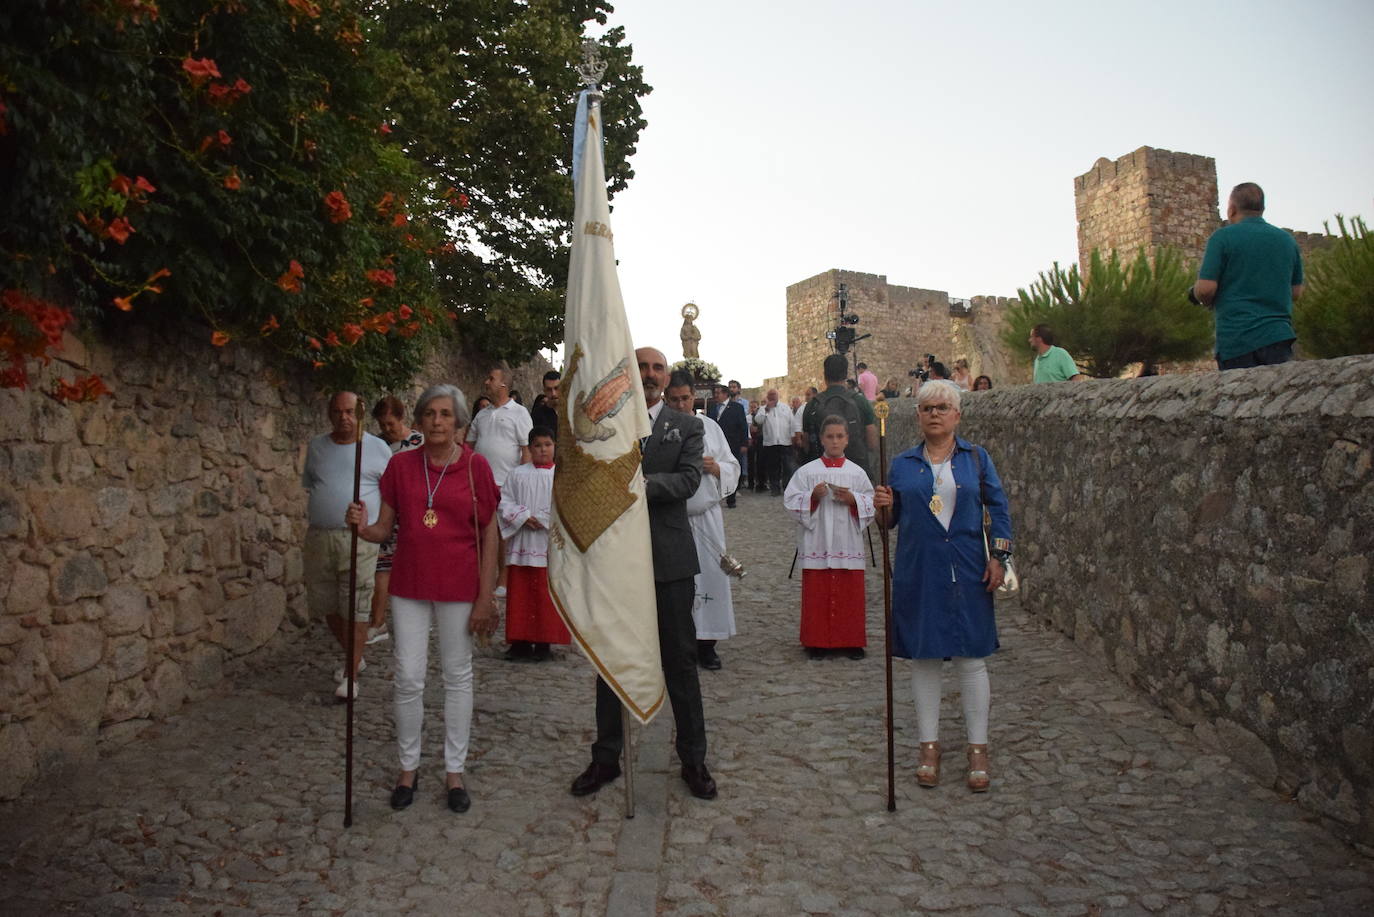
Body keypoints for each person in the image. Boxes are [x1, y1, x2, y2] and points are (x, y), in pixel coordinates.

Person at [570, 346, 718, 801]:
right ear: (630, 373)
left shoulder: (687, 426)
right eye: (643, 367)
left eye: (657, 368)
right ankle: (606, 757)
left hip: (668, 558)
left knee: (680, 661)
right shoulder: (605, 425)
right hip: (614, 559)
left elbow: (689, 480)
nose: (650, 375)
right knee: (609, 659)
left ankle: (693, 759)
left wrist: (640, 486)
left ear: (667, 377)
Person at [346, 384, 500, 813]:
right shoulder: (400, 467)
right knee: (409, 678)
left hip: (459, 586)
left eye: (446, 414)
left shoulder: (476, 468)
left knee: (456, 676)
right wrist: (361, 525)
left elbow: (490, 532)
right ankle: (408, 768)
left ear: (459, 423)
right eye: (430, 413)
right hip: (410, 584)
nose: (437, 421)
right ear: (419, 420)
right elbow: (383, 530)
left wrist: (486, 595)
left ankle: (454, 771)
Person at [873, 380, 1012, 794]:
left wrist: (999, 557)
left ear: (957, 414)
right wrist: (883, 508)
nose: (934, 413)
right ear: (917, 415)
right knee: (925, 657)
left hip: (968, 568)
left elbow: (999, 509)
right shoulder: (900, 465)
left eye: (942, 407)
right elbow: (888, 524)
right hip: (921, 570)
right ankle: (928, 747)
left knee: (971, 659)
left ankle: (978, 749)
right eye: (927, 408)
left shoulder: (977, 460)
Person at [303, 391, 393, 699]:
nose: (344, 417)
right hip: (320, 537)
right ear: (329, 414)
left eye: (350, 411)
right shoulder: (317, 448)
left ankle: (351, 675)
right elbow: (313, 484)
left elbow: (391, 495)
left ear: (360, 414)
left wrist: (376, 525)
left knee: (356, 604)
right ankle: (354, 656)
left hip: (360, 539)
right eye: (338, 411)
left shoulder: (378, 449)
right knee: (326, 604)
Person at [784, 415, 875, 660]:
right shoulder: (807, 472)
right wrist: (812, 497)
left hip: (847, 541)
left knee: (850, 592)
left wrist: (853, 499)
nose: (834, 441)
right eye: (829, 436)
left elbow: (871, 502)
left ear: (847, 439)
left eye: (839, 436)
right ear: (822, 439)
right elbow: (791, 501)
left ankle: (851, 640)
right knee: (818, 591)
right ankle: (816, 641)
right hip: (818, 541)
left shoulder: (857, 473)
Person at [665, 373, 739, 671]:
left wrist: (716, 467)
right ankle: (676, 645)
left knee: (709, 578)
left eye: (685, 398)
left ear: (693, 396)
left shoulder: (710, 427)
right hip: (671, 517)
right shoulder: (659, 428)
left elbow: (732, 466)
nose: (681, 404)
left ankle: (707, 644)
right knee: (674, 585)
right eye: (675, 399)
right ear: (665, 399)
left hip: (706, 518)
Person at [1191, 182, 1305, 370]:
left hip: (1237, 340)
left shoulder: (1222, 238)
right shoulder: (1287, 240)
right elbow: (1296, 292)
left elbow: (1205, 289)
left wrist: (1196, 295)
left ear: (1231, 210)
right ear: (1262, 209)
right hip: (1278, 337)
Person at [498, 427, 569, 662]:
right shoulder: (517, 474)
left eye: (547, 445)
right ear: (529, 448)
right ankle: (519, 642)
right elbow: (505, 501)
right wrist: (523, 516)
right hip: (523, 541)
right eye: (537, 445)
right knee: (521, 593)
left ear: (554, 446)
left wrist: (546, 519)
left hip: (548, 542)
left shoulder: (562, 476)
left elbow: (567, 506)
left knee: (544, 594)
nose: (543, 450)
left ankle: (543, 642)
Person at [369, 395, 425, 647]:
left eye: (390, 424)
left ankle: (418, 617)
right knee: (382, 568)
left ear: (401, 418)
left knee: (416, 568)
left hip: (415, 515)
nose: (387, 430)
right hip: (386, 514)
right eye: (382, 425)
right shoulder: (376, 445)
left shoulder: (419, 443)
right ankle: (377, 621)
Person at [802, 353, 878, 481]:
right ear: (846, 375)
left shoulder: (812, 405)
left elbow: (806, 445)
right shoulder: (860, 402)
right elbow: (872, 443)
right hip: (855, 473)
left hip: (820, 475)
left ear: (825, 375)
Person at [467, 367, 532, 489]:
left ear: (504, 384)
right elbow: (468, 447)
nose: (486, 382)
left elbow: (527, 451)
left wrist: (520, 482)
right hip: (478, 483)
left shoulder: (520, 412)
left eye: (491, 379)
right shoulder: (481, 414)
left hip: (506, 486)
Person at [708, 384, 748, 508]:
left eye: (718, 392)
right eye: (715, 393)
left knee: (731, 469)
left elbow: (743, 426)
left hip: (733, 443)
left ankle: (731, 498)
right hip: (716, 444)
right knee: (717, 469)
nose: (716, 395)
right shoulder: (712, 408)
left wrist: (744, 443)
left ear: (725, 394)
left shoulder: (737, 407)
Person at [751, 389, 794, 496]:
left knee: (787, 467)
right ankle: (775, 488)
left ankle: (787, 487)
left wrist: (793, 437)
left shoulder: (785, 407)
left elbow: (792, 423)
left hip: (785, 442)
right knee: (773, 467)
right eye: (770, 395)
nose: (772, 397)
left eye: (774, 395)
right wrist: (766, 409)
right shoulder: (763, 409)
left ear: (777, 396)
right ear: (767, 396)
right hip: (770, 443)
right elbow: (758, 420)